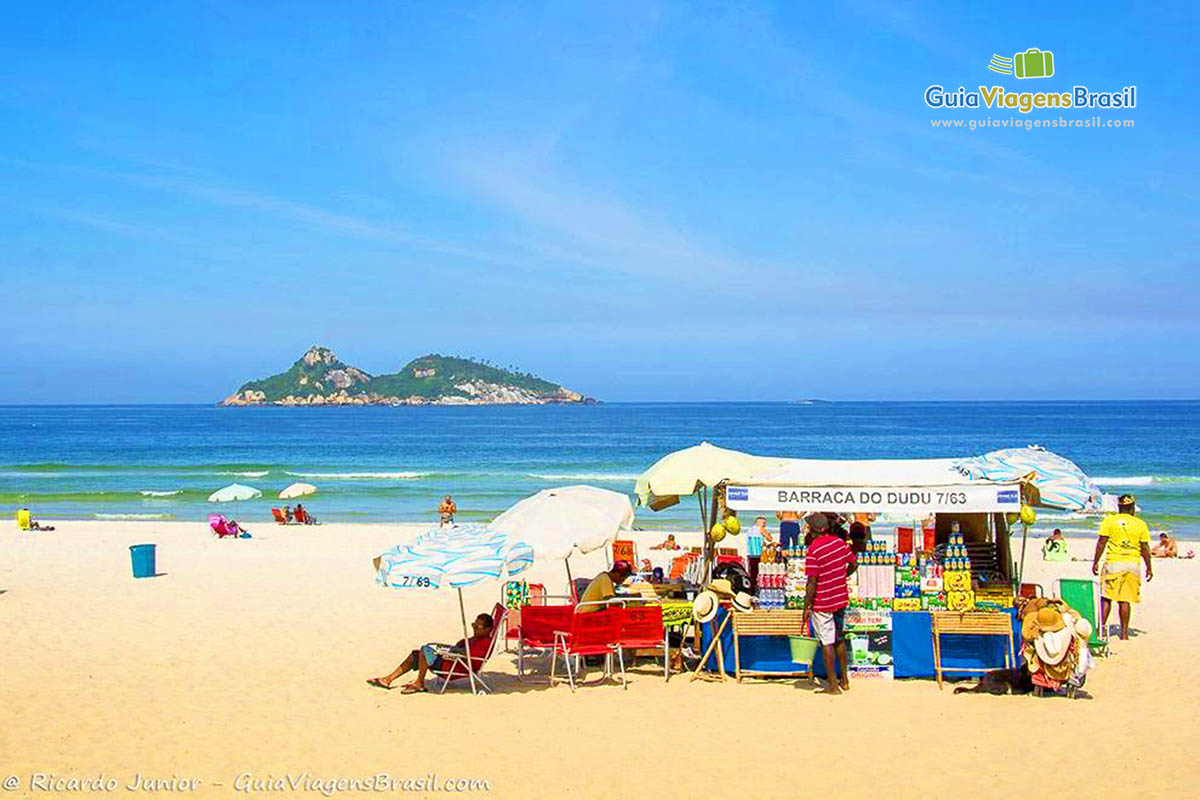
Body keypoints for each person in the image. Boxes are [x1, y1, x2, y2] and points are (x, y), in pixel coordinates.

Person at [366, 612, 494, 694]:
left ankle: (419, 683)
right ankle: (387, 680)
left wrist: (456, 651)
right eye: (473, 625)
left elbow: (472, 657)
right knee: (416, 654)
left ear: (487, 629)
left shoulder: (484, 643)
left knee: (424, 651)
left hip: (456, 667)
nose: (474, 628)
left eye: (478, 627)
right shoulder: (476, 638)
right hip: (453, 661)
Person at [802, 513, 857, 695]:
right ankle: (845, 680)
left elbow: (812, 582)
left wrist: (806, 606)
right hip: (840, 597)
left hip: (823, 601)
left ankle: (833, 686)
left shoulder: (814, 550)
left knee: (827, 641)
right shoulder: (839, 543)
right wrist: (842, 576)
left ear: (814, 530)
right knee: (839, 638)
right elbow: (854, 563)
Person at [1091, 494, 1152, 640]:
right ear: (1132, 507)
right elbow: (1145, 548)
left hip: (1113, 563)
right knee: (1124, 600)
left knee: (1106, 598)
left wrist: (1095, 562)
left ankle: (1102, 630)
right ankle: (1124, 634)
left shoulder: (1109, 521)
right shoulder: (1140, 524)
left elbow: (1101, 542)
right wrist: (1149, 567)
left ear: (1119, 507)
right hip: (1132, 564)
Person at [746, 516, 773, 589]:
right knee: (760, 572)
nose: (764, 524)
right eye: (763, 523)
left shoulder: (750, 529)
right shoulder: (761, 529)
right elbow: (770, 539)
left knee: (752, 572)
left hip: (751, 553)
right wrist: (768, 534)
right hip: (759, 554)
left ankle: (752, 587)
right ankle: (758, 587)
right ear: (758, 522)